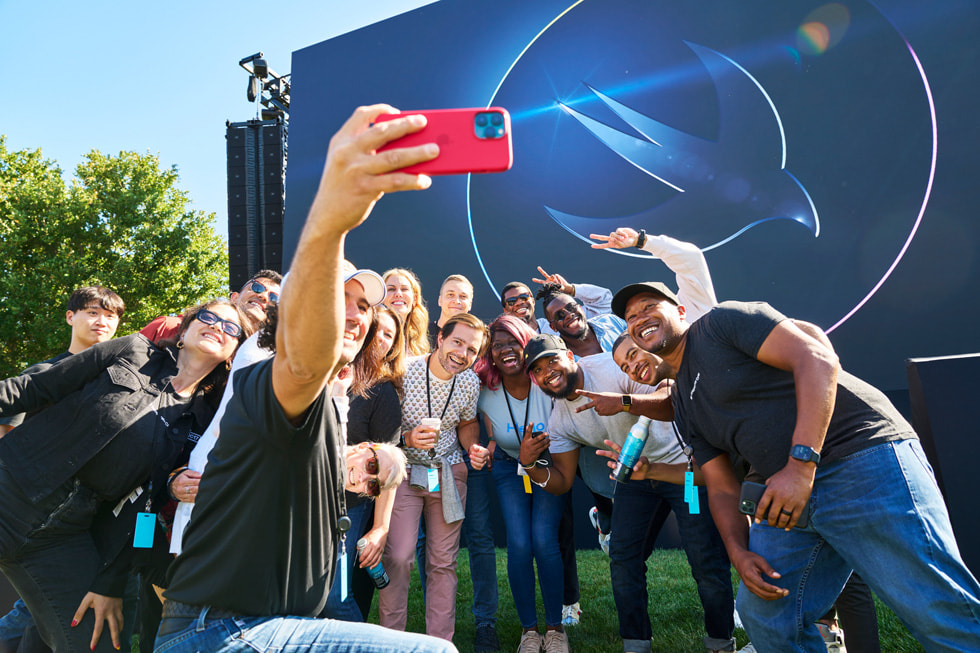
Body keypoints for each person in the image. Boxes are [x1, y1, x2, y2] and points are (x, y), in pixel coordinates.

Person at [155, 104, 455, 653]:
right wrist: (332, 218)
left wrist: (376, 470)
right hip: (223, 630)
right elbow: (302, 361)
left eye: (364, 305)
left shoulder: (334, 407)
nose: (357, 314)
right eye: (339, 299)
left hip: (269, 622)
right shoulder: (273, 373)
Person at [611, 283, 980, 651]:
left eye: (648, 306)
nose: (639, 318)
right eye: (630, 317)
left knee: (933, 605)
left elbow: (816, 359)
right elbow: (721, 485)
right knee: (767, 614)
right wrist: (738, 552)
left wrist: (801, 465)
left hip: (857, 457)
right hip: (784, 498)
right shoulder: (683, 402)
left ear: (679, 311)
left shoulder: (721, 323)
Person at [0, 297, 249, 653]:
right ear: (184, 330)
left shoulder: (206, 421)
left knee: (95, 644)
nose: (216, 327)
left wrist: (110, 580)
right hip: (12, 487)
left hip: (60, 537)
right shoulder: (134, 350)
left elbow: (149, 506)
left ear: (234, 351)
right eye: (208, 317)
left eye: (230, 328)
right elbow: (35, 388)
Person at [520, 333, 735, 653]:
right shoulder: (560, 418)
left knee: (704, 556)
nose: (547, 371)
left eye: (552, 360)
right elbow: (563, 481)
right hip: (635, 479)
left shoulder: (612, 368)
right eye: (537, 370)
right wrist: (529, 465)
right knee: (623, 558)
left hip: (683, 471)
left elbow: (672, 399)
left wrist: (622, 401)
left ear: (570, 356)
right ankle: (636, 645)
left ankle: (720, 642)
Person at [0, 285, 125, 653]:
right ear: (70, 317)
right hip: (36, 521)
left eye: (111, 315)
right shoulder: (43, 374)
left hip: (93, 521)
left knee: (46, 622)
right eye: (92, 312)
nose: (101, 321)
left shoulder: (118, 383)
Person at [379, 313, 489, 642]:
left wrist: (473, 448)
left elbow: (467, 423)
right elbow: (382, 428)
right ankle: (390, 643)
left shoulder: (470, 381)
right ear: (440, 337)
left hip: (448, 473)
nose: (463, 354)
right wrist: (408, 439)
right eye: (458, 342)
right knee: (398, 557)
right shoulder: (406, 370)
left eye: (472, 350)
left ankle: (440, 644)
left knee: (443, 563)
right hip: (403, 471)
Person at [475, 316, 570, 653]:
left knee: (544, 540)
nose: (505, 350)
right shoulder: (484, 386)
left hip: (549, 465)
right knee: (518, 544)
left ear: (526, 342)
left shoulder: (546, 378)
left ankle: (556, 630)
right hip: (508, 466)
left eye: (512, 341)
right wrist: (482, 447)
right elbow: (477, 426)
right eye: (497, 345)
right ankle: (529, 632)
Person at [323, 302, 406, 622]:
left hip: (349, 506)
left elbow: (386, 470)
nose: (382, 338)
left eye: (390, 335)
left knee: (336, 598)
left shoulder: (384, 393)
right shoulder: (326, 369)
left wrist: (380, 527)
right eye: (378, 329)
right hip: (301, 499)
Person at [140, 270, 281, 342]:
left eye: (274, 298)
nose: (264, 296)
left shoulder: (262, 361)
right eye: (257, 288)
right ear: (234, 298)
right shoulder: (169, 327)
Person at [499, 266, 613, 336]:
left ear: (533, 301)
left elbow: (604, 301)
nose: (519, 302)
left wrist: (569, 289)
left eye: (524, 297)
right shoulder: (507, 340)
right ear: (505, 310)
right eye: (512, 301)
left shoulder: (559, 321)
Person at [383, 268, 431, 356]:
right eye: (391, 289)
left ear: (415, 299)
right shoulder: (371, 337)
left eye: (404, 289)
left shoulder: (419, 345)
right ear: (382, 298)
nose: (398, 294)